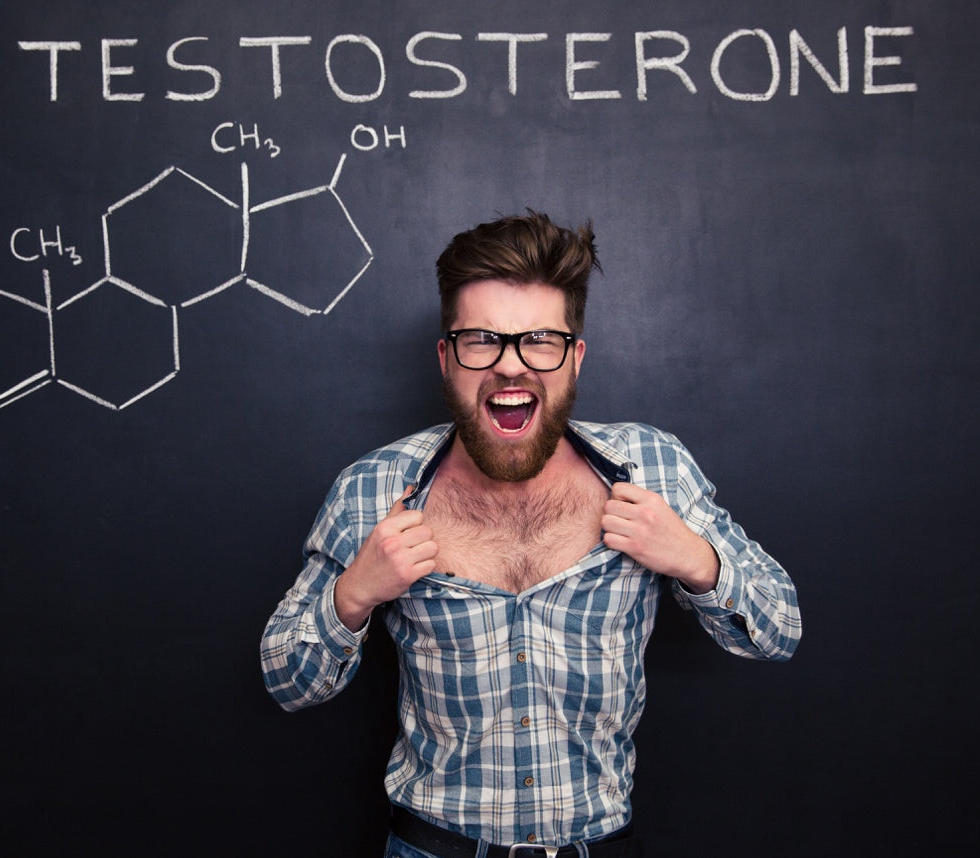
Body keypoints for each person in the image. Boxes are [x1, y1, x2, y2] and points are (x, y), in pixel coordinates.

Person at [260, 210, 801, 857]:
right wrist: (353, 594)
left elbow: (781, 627)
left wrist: (696, 559)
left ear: (574, 358)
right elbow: (285, 679)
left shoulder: (653, 468)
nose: (510, 366)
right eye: (482, 339)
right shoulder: (375, 487)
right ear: (447, 357)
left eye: (539, 339)